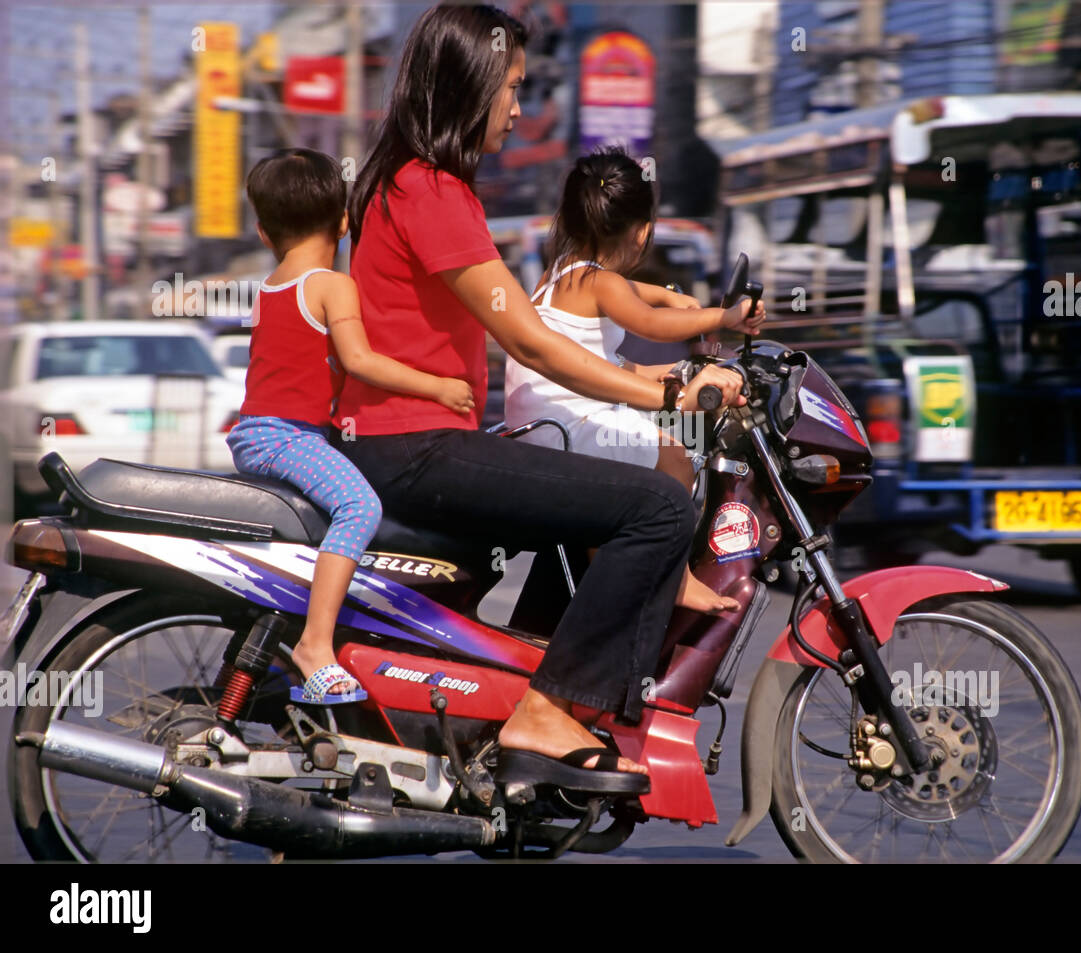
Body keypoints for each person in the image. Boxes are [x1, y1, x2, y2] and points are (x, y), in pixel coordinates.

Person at [337, 4, 745, 781]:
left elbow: (553, 336)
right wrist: (662, 399)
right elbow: (528, 338)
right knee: (657, 505)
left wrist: (659, 378)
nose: (520, 110)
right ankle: (547, 713)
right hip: (416, 447)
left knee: (583, 493)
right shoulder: (430, 190)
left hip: (409, 441)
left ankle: (528, 693)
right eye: (513, 88)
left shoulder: (410, 182)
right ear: (470, 83)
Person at [229, 147, 475, 703]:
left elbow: (310, 367)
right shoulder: (332, 285)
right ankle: (316, 644)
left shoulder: (270, 286)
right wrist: (437, 386)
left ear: (264, 232)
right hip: (284, 436)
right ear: (344, 221)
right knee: (359, 507)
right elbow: (360, 360)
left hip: (260, 433)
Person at [505, 146, 767, 614]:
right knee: (676, 456)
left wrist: (675, 309)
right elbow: (647, 321)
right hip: (569, 426)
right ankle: (677, 578)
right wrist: (723, 315)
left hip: (544, 425)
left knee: (633, 467)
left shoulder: (559, 275)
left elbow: (625, 322)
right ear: (644, 230)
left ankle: (607, 582)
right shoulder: (602, 283)